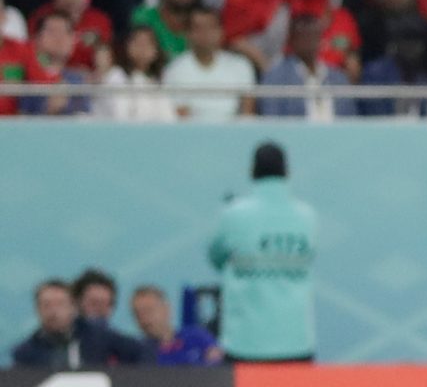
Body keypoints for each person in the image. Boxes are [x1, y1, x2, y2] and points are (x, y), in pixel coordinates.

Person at [208, 142, 318, 362]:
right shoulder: (307, 216)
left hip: (245, 342)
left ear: (252, 172)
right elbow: (309, 258)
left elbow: (216, 258)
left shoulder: (233, 215)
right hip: (296, 340)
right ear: (287, 173)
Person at [132, 282, 222, 365]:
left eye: (148, 311)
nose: (144, 319)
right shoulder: (139, 353)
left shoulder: (197, 336)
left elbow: (218, 366)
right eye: (138, 314)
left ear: (166, 309)